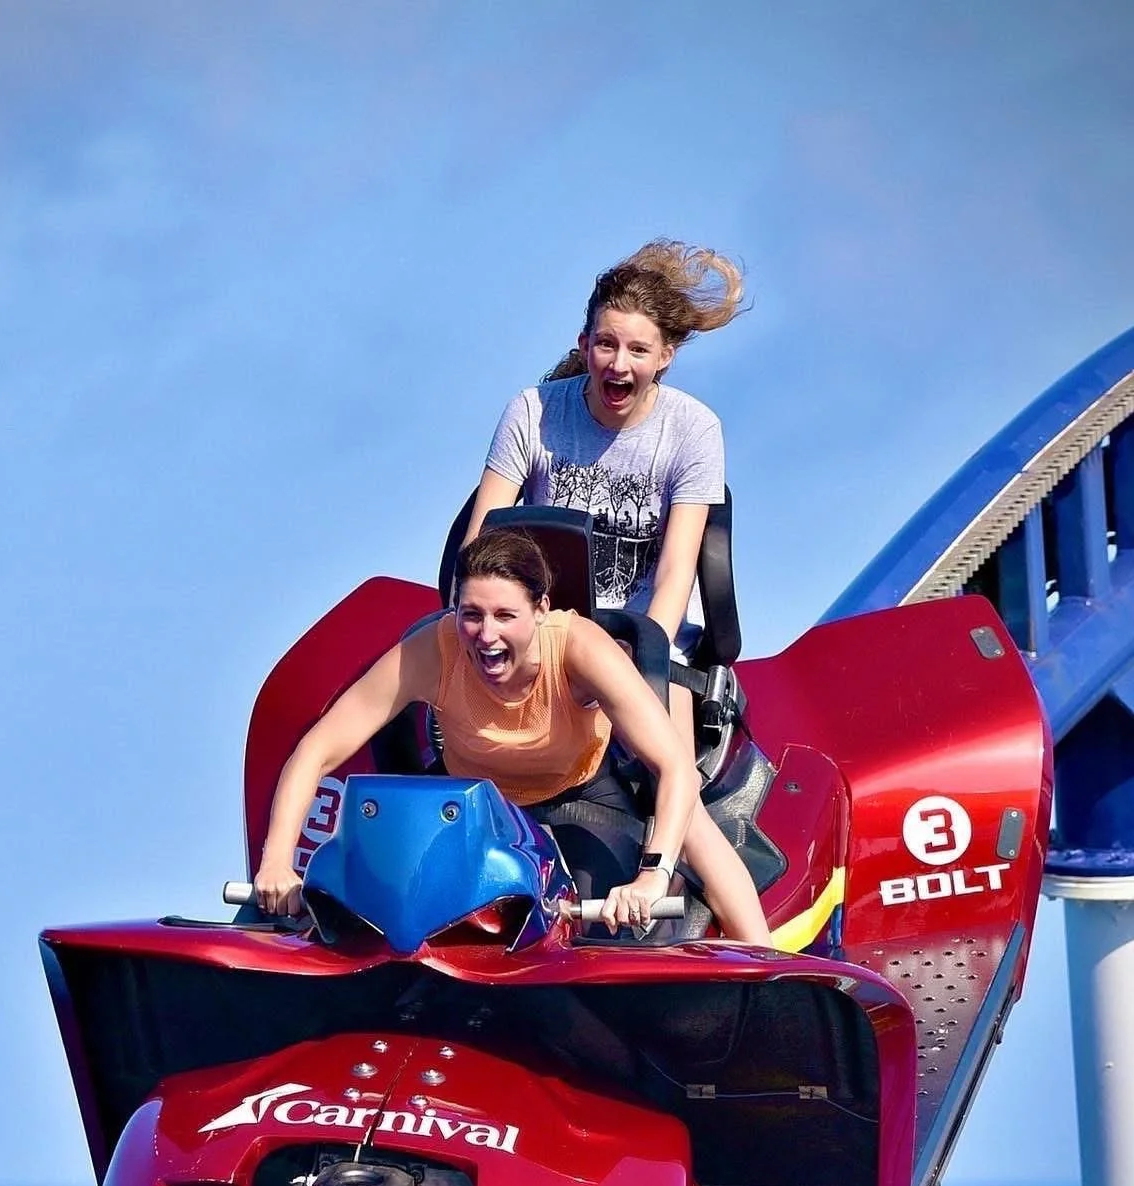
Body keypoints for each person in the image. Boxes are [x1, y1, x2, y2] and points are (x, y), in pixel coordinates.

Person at [254, 529, 772, 944]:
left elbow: (674, 766)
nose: (486, 635)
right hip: (471, 808)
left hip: (579, 796)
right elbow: (316, 751)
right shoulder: (430, 650)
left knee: (611, 928)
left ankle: (770, 971)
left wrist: (652, 875)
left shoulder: (579, 646)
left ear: (541, 609)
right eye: (471, 614)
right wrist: (277, 861)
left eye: (506, 616)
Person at [464, 238, 742, 670]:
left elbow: (675, 574)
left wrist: (638, 659)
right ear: (584, 344)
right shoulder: (532, 411)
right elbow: (480, 544)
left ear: (665, 356)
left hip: (645, 643)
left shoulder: (694, 428)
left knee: (651, 720)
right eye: (606, 344)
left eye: (638, 350)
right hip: (539, 638)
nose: (619, 365)